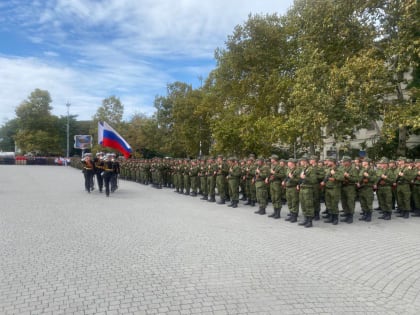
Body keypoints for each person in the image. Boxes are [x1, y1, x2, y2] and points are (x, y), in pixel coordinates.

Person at [321, 157, 343, 225]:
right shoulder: (329, 169)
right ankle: (331, 217)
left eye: (328, 161)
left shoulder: (338, 169)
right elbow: (326, 178)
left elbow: (341, 178)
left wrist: (334, 174)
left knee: (334, 204)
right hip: (328, 188)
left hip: (334, 189)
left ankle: (335, 218)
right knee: (329, 204)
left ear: (332, 162)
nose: (327, 162)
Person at [297, 156, 317, 228]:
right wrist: (299, 185)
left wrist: (305, 177)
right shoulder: (304, 169)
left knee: (308, 205)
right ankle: (306, 219)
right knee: (303, 205)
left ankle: (309, 221)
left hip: (308, 189)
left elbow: (314, 180)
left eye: (301, 161)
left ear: (305, 161)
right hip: (302, 188)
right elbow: (301, 179)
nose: (300, 162)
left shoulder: (311, 169)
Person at [357, 158, 377, 222]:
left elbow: (374, 179)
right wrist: (358, 183)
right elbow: (359, 177)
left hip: (368, 188)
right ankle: (365, 215)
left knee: (368, 203)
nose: (362, 163)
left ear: (367, 163)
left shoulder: (371, 170)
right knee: (363, 203)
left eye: (364, 162)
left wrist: (368, 176)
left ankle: (369, 216)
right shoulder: (362, 170)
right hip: (362, 188)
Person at [340, 156, 358, 224]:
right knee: (344, 202)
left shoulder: (353, 169)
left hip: (350, 187)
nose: (343, 162)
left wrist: (348, 176)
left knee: (350, 202)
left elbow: (356, 179)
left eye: (344, 161)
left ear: (348, 162)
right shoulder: (342, 168)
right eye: (342, 161)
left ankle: (350, 217)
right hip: (343, 187)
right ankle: (346, 215)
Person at [283, 158, 300, 223]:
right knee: (289, 202)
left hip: (293, 188)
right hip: (288, 187)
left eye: (289, 162)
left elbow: (298, 180)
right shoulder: (288, 169)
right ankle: (291, 215)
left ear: (292, 163)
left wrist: (291, 177)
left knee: (294, 202)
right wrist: (284, 181)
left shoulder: (297, 170)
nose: (287, 163)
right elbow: (287, 177)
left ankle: (294, 217)